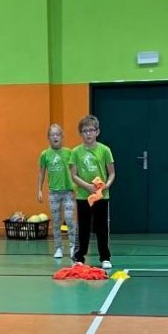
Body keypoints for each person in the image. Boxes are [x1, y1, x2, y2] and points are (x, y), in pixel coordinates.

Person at [69, 114, 116, 269]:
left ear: (97, 132)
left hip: (101, 196)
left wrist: (106, 185)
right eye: (85, 131)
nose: (88, 134)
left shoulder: (105, 150)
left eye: (91, 130)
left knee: (102, 228)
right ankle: (79, 257)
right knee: (83, 228)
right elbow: (74, 175)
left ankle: (105, 257)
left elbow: (112, 173)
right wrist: (87, 187)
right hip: (83, 196)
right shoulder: (76, 152)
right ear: (81, 133)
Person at [37, 123, 78, 260]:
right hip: (54, 193)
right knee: (56, 221)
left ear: (62, 136)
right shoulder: (45, 154)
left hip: (68, 191)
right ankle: (58, 248)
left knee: (69, 219)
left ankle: (73, 245)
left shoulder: (69, 153)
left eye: (58, 134)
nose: (55, 137)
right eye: (52, 135)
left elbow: (75, 171)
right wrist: (39, 189)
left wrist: (77, 186)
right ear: (48, 137)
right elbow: (41, 172)